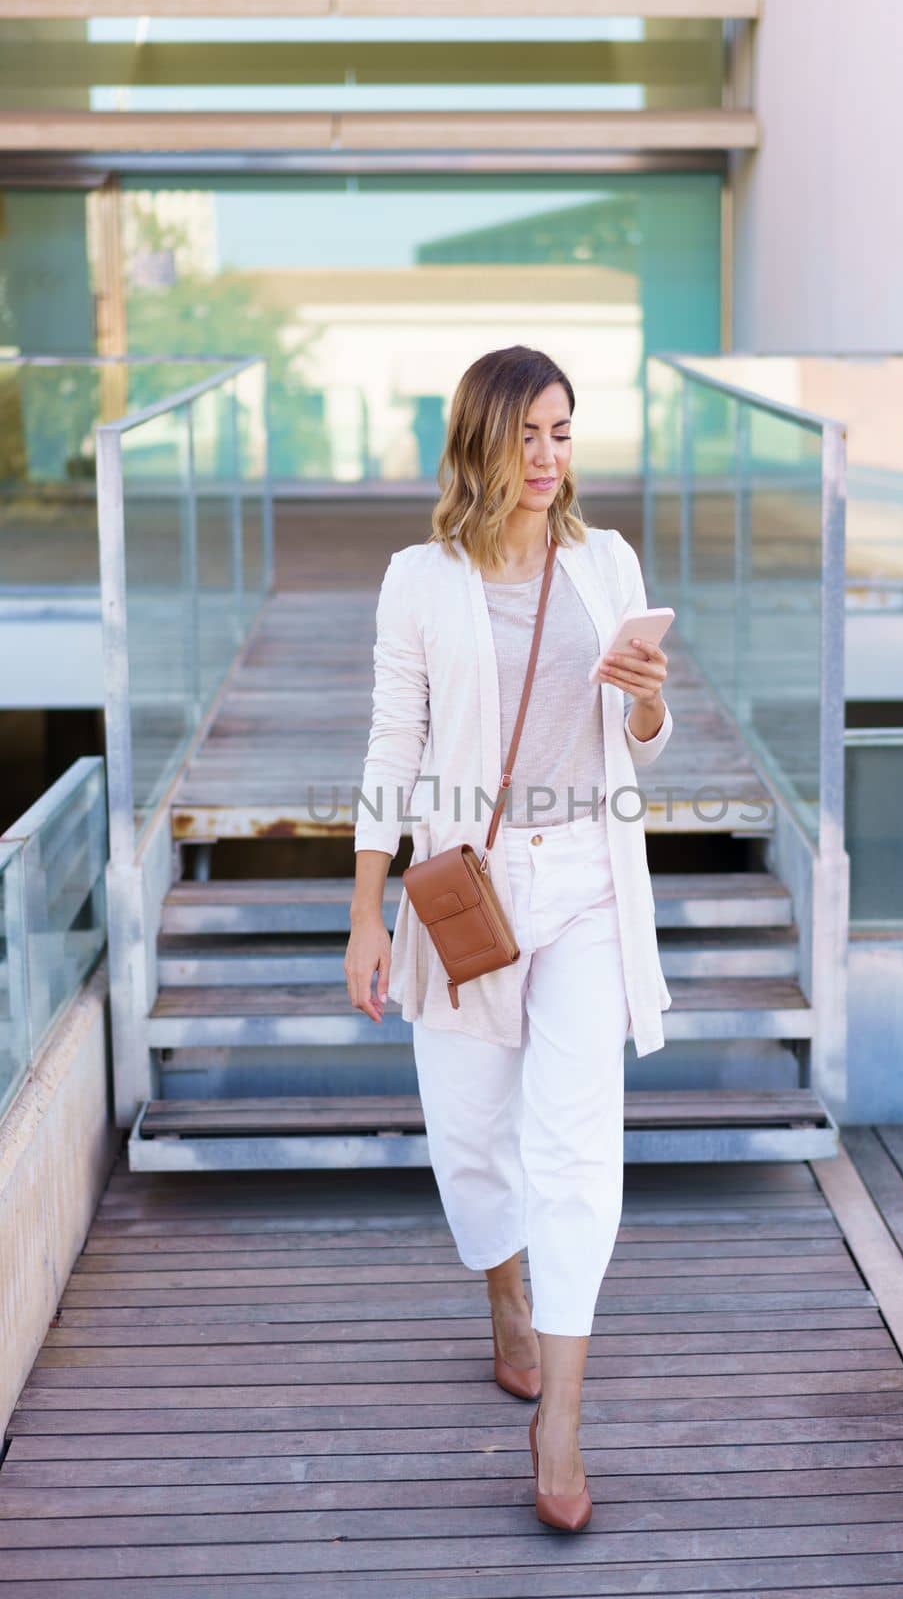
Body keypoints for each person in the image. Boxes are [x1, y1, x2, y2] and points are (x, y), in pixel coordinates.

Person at [345, 344, 673, 1532]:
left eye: (563, 433)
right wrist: (364, 908)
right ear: (480, 441)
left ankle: (561, 1420)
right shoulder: (417, 580)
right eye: (526, 435)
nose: (546, 458)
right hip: (464, 888)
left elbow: (643, 729)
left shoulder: (606, 560)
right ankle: (502, 1295)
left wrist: (642, 692)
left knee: (577, 1149)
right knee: (473, 1134)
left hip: (586, 873)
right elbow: (392, 747)